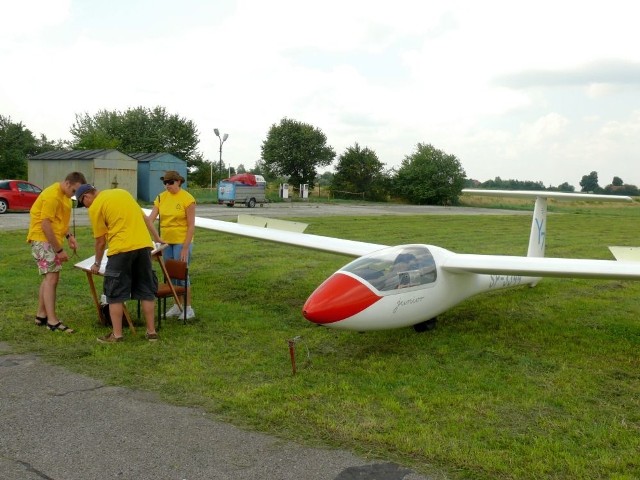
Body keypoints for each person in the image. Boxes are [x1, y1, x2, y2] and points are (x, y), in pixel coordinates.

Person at [75, 184, 164, 343]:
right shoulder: (123, 193)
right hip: (144, 247)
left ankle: (117, 335)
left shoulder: (95, 206)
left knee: (114, 294)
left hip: (120, 250)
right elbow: (145, 218)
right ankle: (151, 332)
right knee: (146, 291)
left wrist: (96, 263)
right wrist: (156, 238)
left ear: (87, 196)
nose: (85, 206)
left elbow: (100, 241)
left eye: (83, 203)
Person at [27, 171, 87, 333]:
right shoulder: (52, 196)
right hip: (42, 239)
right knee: (52, 278)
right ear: (67, 183)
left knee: (49, 277)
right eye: (74, 191)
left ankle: (41, 315)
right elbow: (45, 224)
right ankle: (52, 322)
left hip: (50, 239)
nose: (75, 195)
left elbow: (59, 220)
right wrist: (59, 250)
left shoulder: (65, 197)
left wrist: (69, 236)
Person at [146, 170, 196, 320]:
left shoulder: (188, 199)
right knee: (169, 276)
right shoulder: (161, 198)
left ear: (179, 182)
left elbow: (191, 225)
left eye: (171, 182)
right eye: (165, 183)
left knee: (182, 275)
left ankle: (188, 308)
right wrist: (155, 237)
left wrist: (186, 247)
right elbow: (150, 219)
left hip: (182, 240)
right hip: (165, 242)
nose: (167, 185)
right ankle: (176, 305)